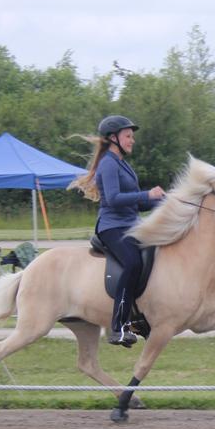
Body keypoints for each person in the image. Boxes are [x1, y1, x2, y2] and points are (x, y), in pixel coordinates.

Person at [69, 115, 165, 346]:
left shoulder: (122, 164)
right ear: (113, 138)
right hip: (112, 227)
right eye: (128, 136)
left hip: (130, 225)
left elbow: (137, 204)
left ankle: (138, 317)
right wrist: (147, 194)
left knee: (155, 258)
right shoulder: (108, 164)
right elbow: (113, 199)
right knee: (133, 263)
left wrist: (167, 202)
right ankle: (119, 327)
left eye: (132, 136)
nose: (132, 140)